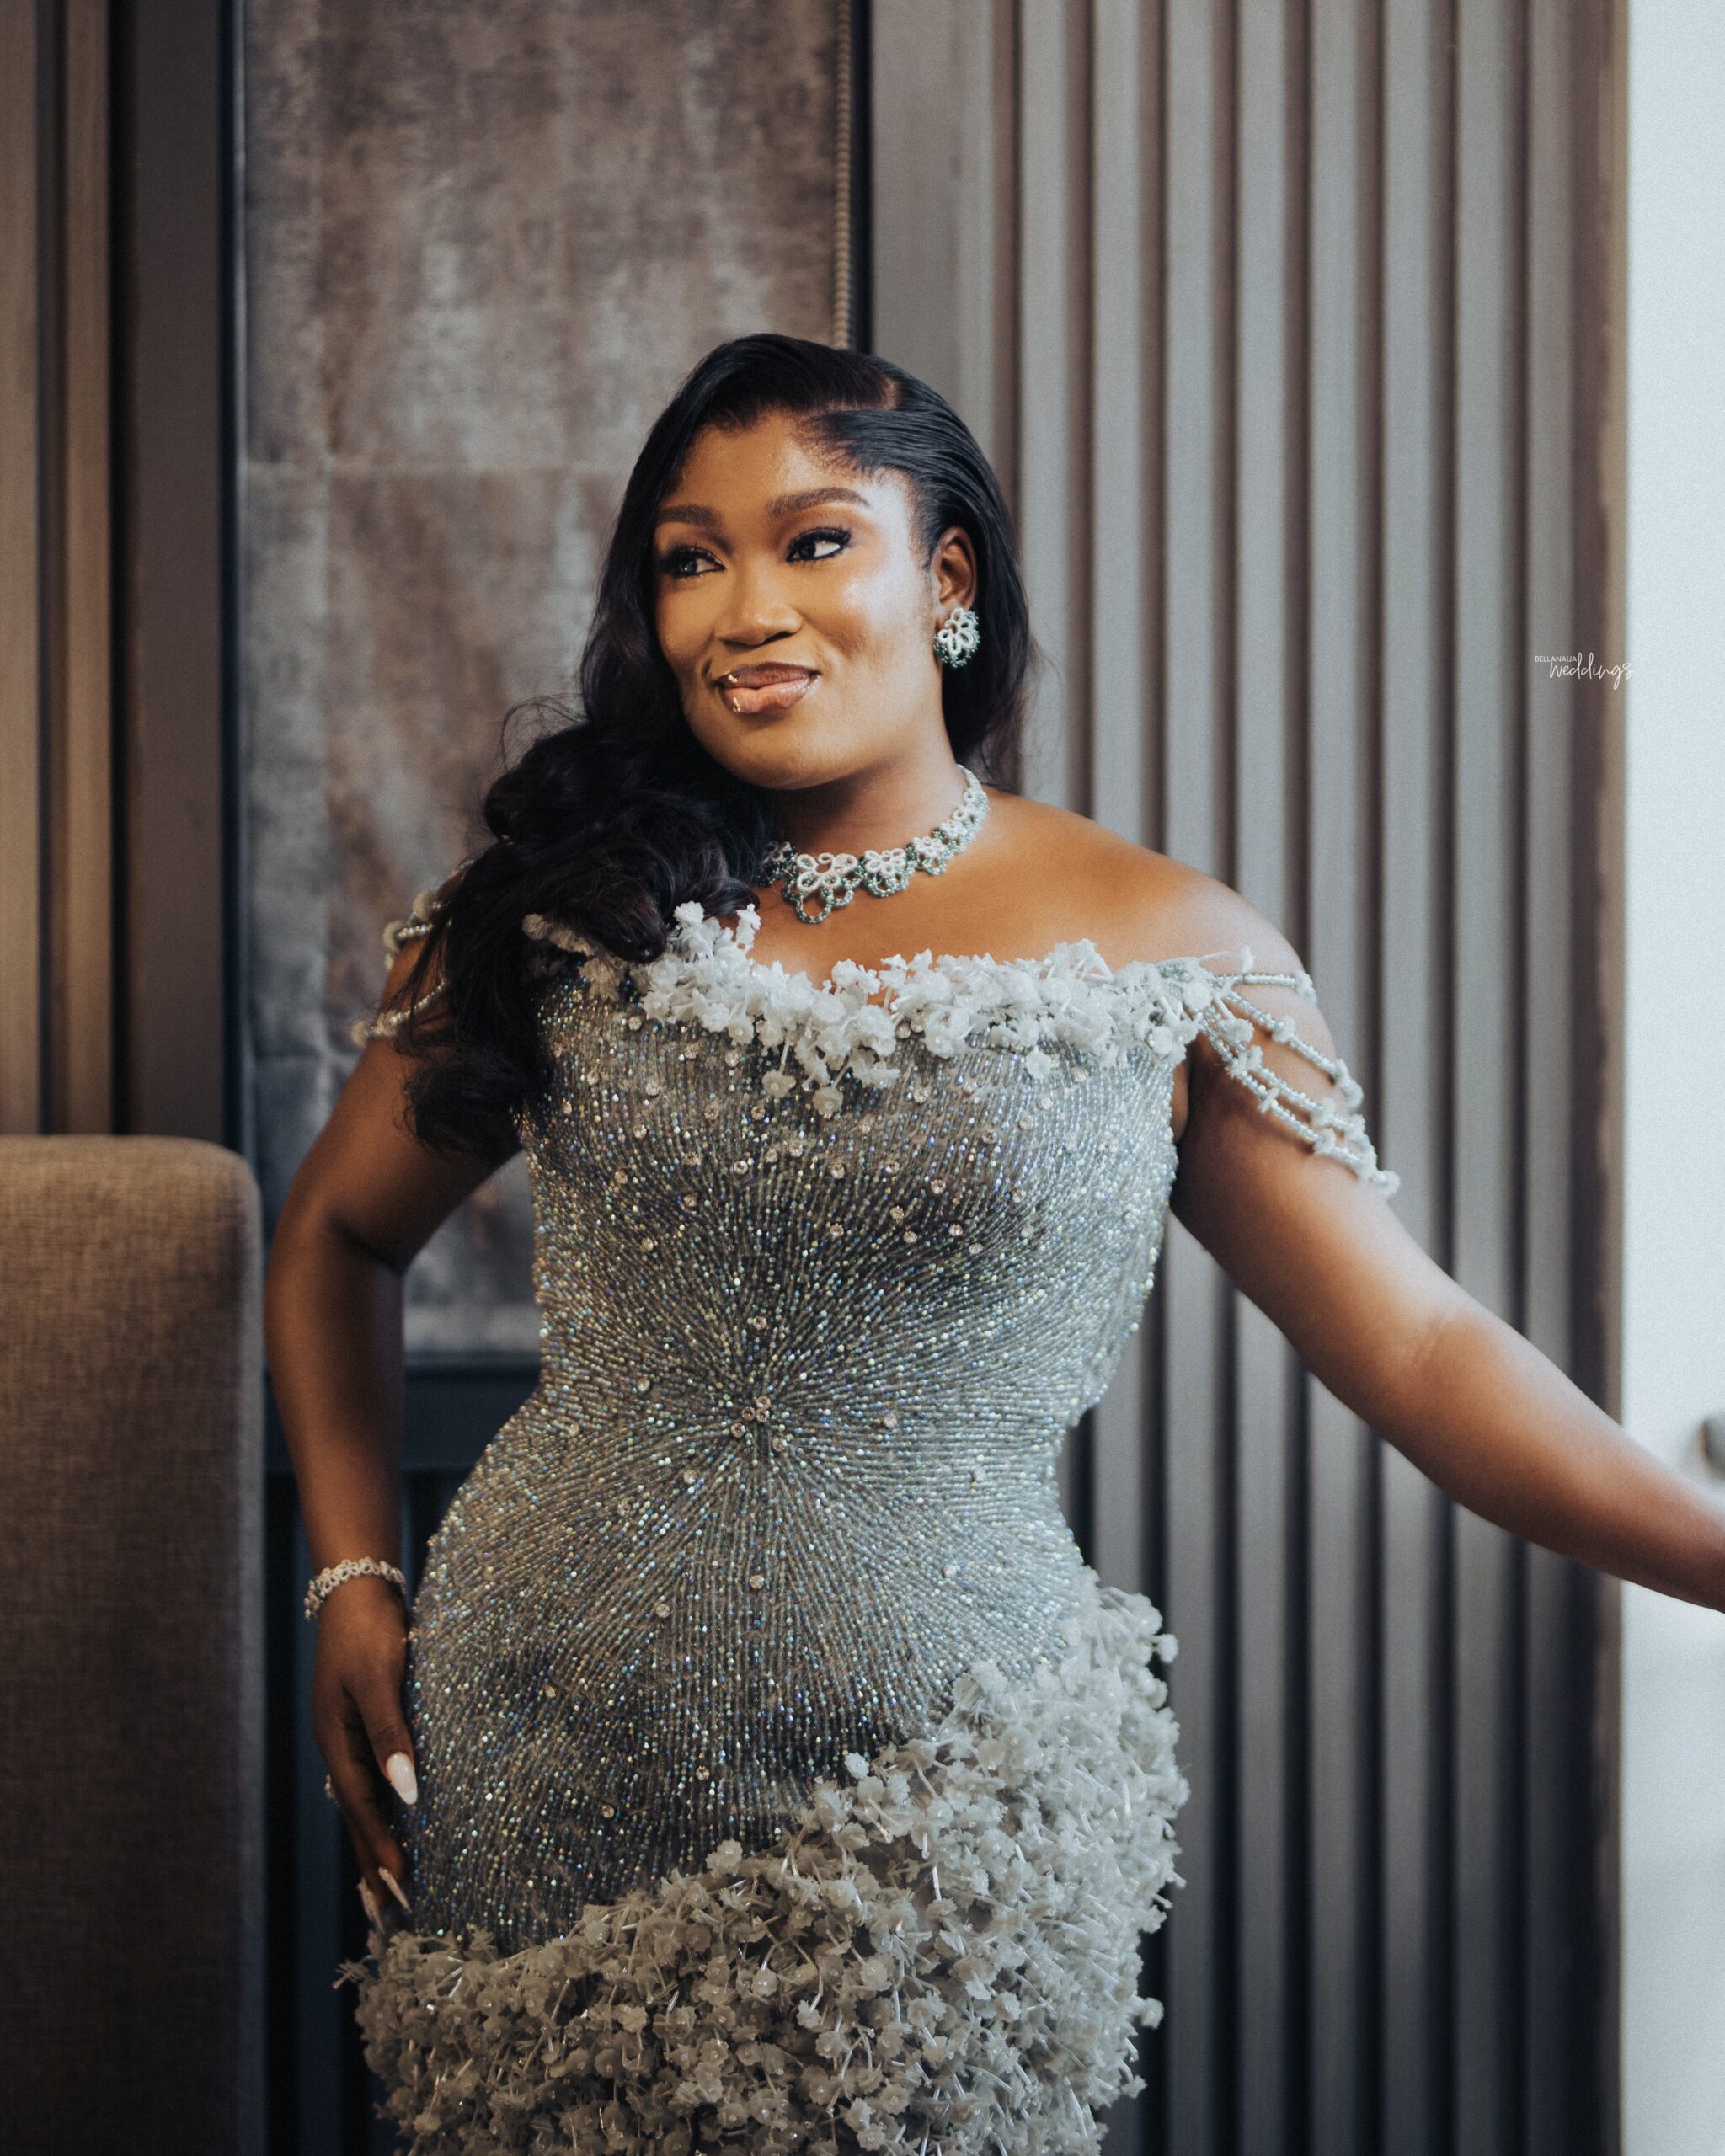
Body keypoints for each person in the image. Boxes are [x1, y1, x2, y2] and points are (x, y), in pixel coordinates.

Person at [264, 333, 1724, 2156]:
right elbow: (333, 1236)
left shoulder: (1168, 948)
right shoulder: (567, 913)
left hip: (941, 1816)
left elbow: (1423, 1349)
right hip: (532, 1756)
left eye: (814, 541)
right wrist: (350, 1574)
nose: (745, 609)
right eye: (691, 560)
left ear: (944, 579)